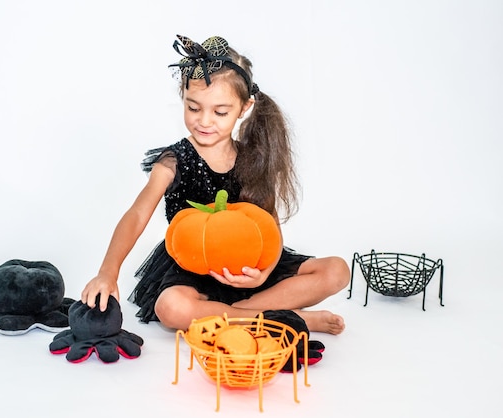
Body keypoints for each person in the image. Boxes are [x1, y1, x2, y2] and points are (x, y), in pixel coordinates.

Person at [81, 34, 350, 335]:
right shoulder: (174, 161)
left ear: (244, 107)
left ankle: (242, 313)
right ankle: (283, 318)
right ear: (182, 98)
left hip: (246, 265)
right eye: (193, 108)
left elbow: (270, 225)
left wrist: (264, 273)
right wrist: (108, 272)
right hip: (194, 266)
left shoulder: (253, 158)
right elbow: (137, 215)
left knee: (336, 270)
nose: (204, 121)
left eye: (220, 112)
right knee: (172, 308)